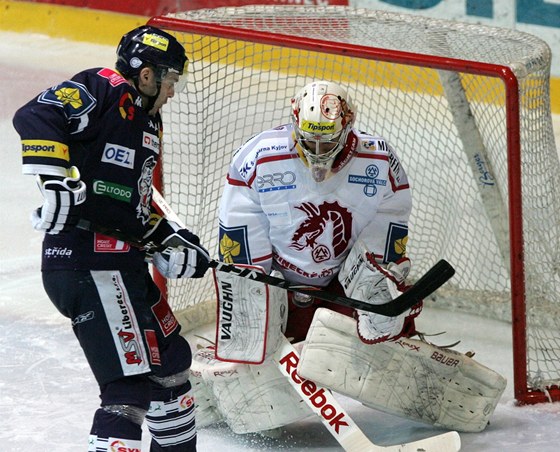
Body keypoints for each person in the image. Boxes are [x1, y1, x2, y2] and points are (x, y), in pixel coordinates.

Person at [191, 80, 505, 437]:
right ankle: (213, 389)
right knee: (247, 315)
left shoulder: (378, 160)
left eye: (328, 139)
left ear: (348, 124)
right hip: (279, 283)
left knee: (383, 311)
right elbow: (242, 241)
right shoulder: (260, 157)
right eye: (310, 139)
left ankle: (425, 380)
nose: (319, 149)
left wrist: (381, 284)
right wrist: (254, 298)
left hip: (341, 287)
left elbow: (385, 237)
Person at [13, 26, 210, 451]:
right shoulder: (104, 86)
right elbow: (36, 115)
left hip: (123, 267)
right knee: (128, 392)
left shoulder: (147, 122)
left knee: (171, 371)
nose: (173, 91)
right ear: (146, 75)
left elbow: (130, 211)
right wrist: (54, 180)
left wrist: (173, 242)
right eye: (170, 80)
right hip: (85, 263)